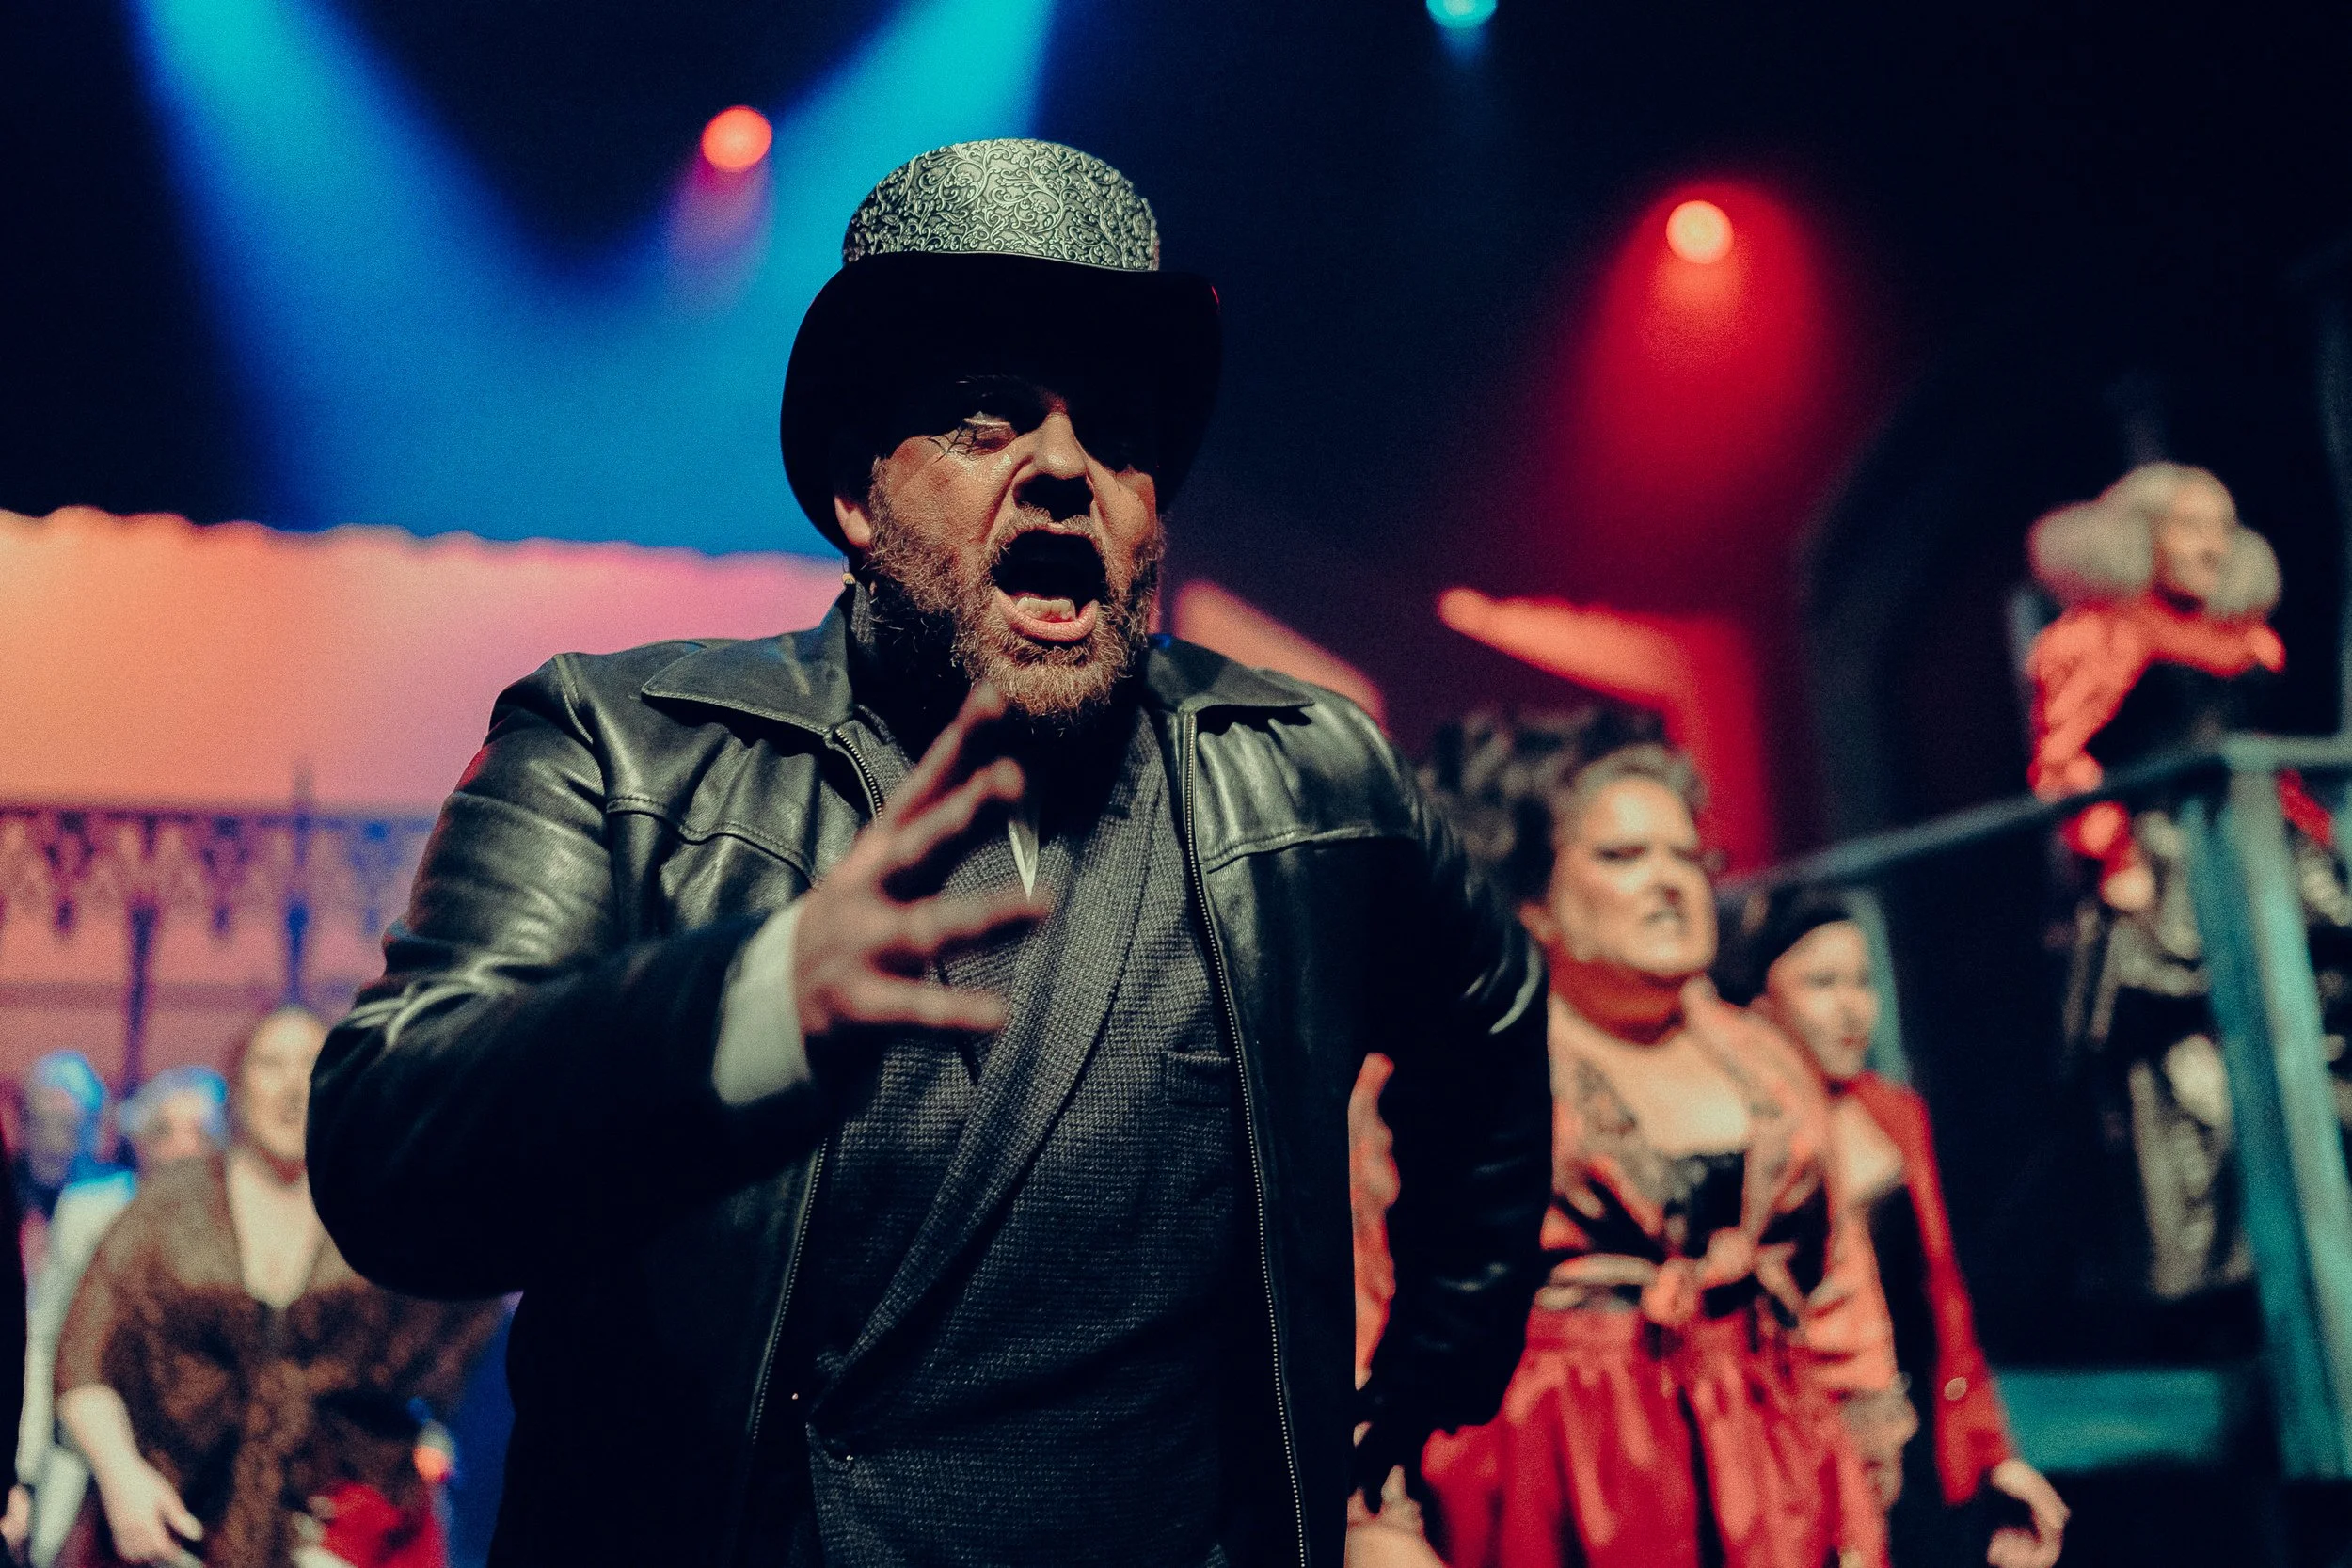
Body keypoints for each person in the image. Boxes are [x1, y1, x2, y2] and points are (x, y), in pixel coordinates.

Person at [306, 139, 1552, 1568]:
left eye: (1121, 432)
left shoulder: (1304, 771)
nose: (1068, 467)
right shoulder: (623, 745)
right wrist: (753, 1003)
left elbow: (1495, 1018)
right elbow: (387, 1141)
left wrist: (1443, 1355)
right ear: (855, 494)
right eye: (984, 419)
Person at [1419, 710, 1883, 1568]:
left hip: (1777, 1467)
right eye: (1624, 857)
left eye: (1686, 856)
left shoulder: (1768, 1062)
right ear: (1534, 898)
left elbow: (1838, 1287)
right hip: (1573, 1476)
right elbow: (1378, 1297)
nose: (1671, 882)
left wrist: (1863, 1462)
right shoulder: (1465, 1068)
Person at [2026, 463, 2352, 1314]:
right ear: (2141, 539)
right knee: (2190, 1082)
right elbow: (2064, 762)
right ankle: (2224, 1288)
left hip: (2263, 859)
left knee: (2311, 1043)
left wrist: (2319, 844)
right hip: (2168, 875)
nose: (2211, 543)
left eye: (2223, 524)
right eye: (2189, 525)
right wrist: (2113, 857)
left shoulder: (2245, 640)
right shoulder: (2101, 635)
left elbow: (2268, 764)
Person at [54, 1008, 500, 1568]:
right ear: (238, 1085)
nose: (293, 1086)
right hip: (174, 1523)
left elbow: (472, 1328)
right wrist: (121, 1476)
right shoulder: (167, 1208)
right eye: (271, 1064)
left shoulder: (377, 1206)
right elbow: (83, 1354)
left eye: (312, 1066)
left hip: (346, 1533)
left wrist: (410, 1461)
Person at [1726, 892, 2068, 1568]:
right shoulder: (1741, 1139)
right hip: (1807, 1475)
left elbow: (1945, 1309)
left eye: (1862, 981)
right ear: (1759, 1003)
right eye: (1822, 983)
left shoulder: (1893, 1114)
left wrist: (1991, 1459)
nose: (1853, 1006)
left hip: (1918, 1453)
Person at [12, 1067, 230, 1568]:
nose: (183, 1148)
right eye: (165, 1131)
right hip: (91, 1463)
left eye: (200, 1131)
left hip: (209, 1475)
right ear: (142, 1143)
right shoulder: (95, 1212)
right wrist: (23, 1473)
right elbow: (47, 1343)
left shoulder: (245, 1233)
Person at [17, 1054, 117, 1230]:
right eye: (42, 1123)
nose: (54, 1144)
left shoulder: (112, 1194)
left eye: (68, 1126)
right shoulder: (10, 1191)